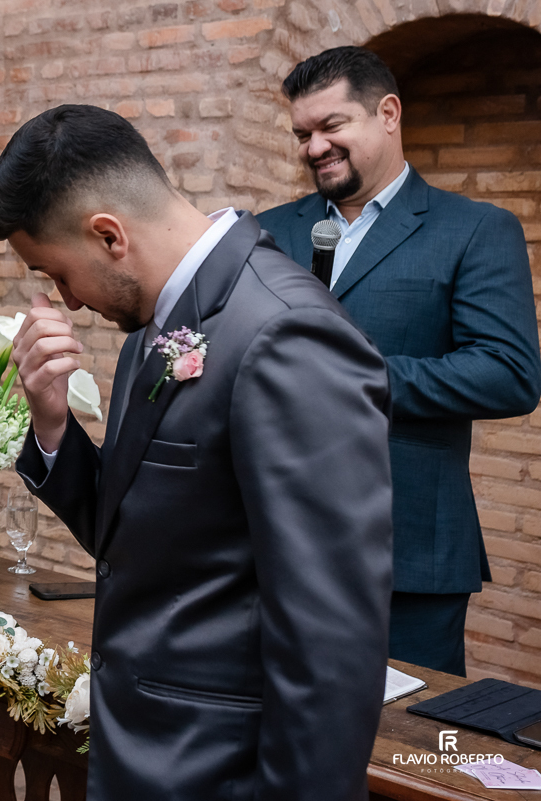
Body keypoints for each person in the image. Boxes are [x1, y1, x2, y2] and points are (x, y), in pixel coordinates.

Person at [0, 104, 393, 801]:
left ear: (108, 234)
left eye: (56, 272)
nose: (67, 302)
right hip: (146, 756)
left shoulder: (287, 334)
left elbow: (331, 646)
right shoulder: (158, 327)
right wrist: (52, 426)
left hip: (221, 772)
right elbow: (140, 539)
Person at [257, 47, 541, 677]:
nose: (314, 147)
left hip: (408, 551)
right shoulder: (264, 233)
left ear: (388, 113)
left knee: (404, 751)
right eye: (303, 134)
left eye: (332, 127)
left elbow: (509, 374)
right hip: (271, 545)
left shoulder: (473, 229)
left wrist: (356, 377)